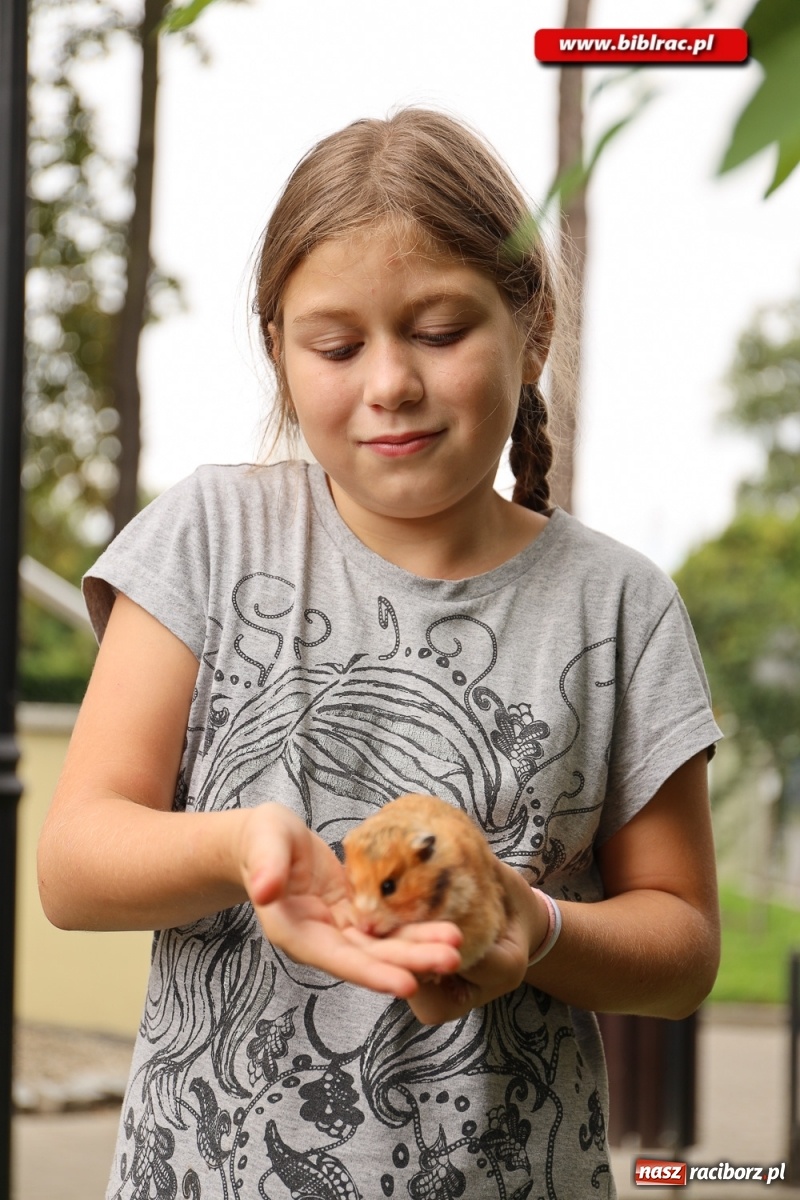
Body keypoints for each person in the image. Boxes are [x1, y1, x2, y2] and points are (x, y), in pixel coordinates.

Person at [38, 108, 721, 1200]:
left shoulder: (617, 605)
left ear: (529, 329)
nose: (390, 383)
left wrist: (527, 924)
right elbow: (73, 865)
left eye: (440, 332)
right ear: (279, 350)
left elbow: (682, 949)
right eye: (338, 345)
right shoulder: (207, 538)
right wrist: (242, 847)